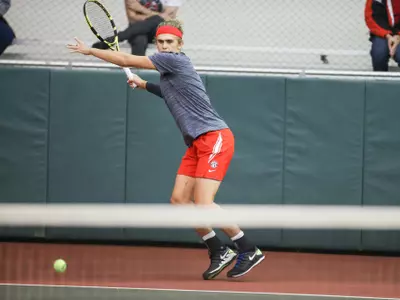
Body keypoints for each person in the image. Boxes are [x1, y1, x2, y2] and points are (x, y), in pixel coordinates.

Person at [67, 19, 265, 280]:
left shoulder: (176, 60)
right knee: (179, 201)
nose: (164, 46)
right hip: (196, 142)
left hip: (215, 138)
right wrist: (144, 84)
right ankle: (218, 250)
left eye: (169, 42)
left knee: (203, 203)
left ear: (180, 44)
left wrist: (92, 51)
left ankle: (247, 248)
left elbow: (127, 59)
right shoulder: (170, 69)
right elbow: (171, 93)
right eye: (160, 42)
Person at [92, 0, 182, 55]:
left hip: (158, 32)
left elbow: (168, 19)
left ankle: (116, 38)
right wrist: (158, 16)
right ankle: (136, 79)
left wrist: (141, 9)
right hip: (137, 30)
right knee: (139, 39)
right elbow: (132, 17)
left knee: (157, 20)